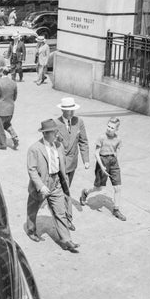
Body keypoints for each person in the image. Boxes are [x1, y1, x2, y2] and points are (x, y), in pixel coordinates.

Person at [26, 119, 80, 252]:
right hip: (42, 184)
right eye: (54, 132)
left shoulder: (59, 146)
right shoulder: (34, 149)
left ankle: (66, 240)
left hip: (56, 183)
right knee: (33, 210)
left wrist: (64, 180)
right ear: (45, 134)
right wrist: (40, 186)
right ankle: (31, 231)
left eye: (57, 131)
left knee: (60, 212)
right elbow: (31, 169)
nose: (57, 134)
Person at [80, 117, 126, 221]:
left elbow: (118, 150)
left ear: (116, 129)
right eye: (108, 126)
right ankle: (86, 192)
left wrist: (116, 161)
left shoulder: (118, 139)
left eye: (112, 127)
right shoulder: (101, 138)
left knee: (117, 188)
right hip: (102, 161)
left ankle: (116, 209)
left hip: (113, 162)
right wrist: (102, 166)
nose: (109, 129)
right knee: (99, 188)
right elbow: (96, 153)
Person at [54, 97, 90, 231]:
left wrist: (86, 160)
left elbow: (83, 141)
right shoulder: (56, 123)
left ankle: (61, 210)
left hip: (73, 163)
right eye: (68, 110)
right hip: (61, 164)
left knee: (64, 189)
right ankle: (68, 219)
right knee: (66, 191)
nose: (70, 113)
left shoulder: (79, 122)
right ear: (62, 109)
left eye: (72, 110)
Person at [0, 66, 19, 150]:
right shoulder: (13, 83)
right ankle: (14, 135)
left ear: (1, 72)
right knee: (7, 124)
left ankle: (2, 145)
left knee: (0, 128)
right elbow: (15, 96)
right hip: (10, 108)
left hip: (1, 109)